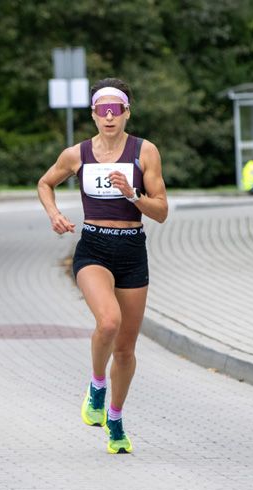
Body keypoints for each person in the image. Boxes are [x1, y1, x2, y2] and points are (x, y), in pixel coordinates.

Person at [37, 78, 168, 454]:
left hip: (132, 250)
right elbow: (45, 183)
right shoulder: (77, 154)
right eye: (102, 110)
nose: (109, 117)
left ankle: (115, 418)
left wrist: (133, 194)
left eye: (116, 110)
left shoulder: (145, 152)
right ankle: (97, 387)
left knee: (125, 349)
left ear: (127, 113)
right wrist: (54, 214)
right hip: (93, 247)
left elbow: (161, 211)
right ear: (93, 115)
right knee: (108, 322)